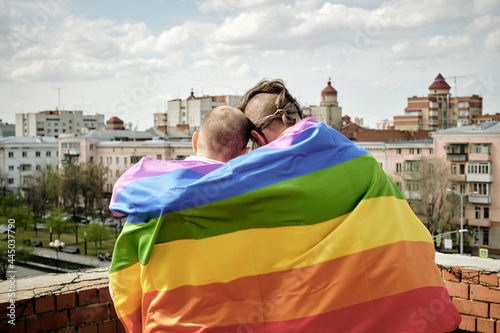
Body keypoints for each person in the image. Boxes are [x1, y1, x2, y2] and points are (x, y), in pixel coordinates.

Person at [109, 81, 461, 332]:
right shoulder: (354, 157)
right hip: (406, 309)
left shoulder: (259, 176)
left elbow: (159, 195)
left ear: (257, 141)